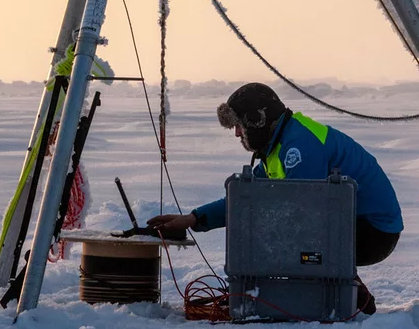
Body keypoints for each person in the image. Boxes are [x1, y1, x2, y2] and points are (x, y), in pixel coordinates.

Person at [146, 82, 401, 315]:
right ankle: (343, 290)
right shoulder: (280, 144)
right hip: (354, 225)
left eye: (239, 125)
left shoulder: (299, 147)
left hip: (373, 231)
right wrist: (193, 218)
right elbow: (244, 201)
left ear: (257, 120)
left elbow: (305, 215)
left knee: (288, 239)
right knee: (283, 235)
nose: (237, 134)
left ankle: (348, 296)